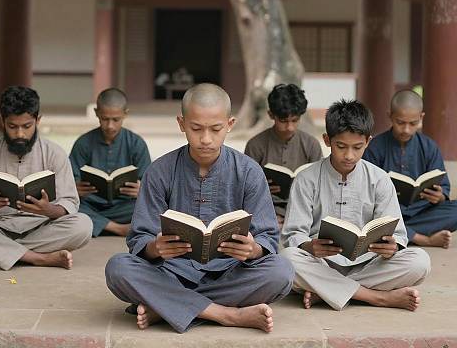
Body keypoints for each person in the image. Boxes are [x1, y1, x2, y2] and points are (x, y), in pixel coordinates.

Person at [105, 83, 294, 333]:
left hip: (229, 271)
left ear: (230, 124)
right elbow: (140, 239)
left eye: (216, 129)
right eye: (196, 129)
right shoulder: (159, 171)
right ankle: (226, 314)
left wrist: (253, 249)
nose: (206, 139)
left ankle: (165, 306)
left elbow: (268, 238)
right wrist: (155, 247)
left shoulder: (249, 172)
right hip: (171, 271)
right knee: (118, 268)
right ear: (182, 124)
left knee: (281, 272)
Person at [281, 99, 431, 312]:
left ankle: (325, 291)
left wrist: (392, 246)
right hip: (320, 263)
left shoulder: (379, 179)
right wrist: (308, 246)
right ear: (327, 140)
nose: (349, 155)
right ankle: (376, 297)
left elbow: (398, 235)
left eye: (357, 147)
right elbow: (293, 235)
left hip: (369, 265)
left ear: (368, 142)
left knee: (420, 261)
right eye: (341, 146)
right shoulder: (306, 178)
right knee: (287, 260)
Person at [0, 86, 92, 270]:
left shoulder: (55, 154)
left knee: (83, 226)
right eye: (12, 127)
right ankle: (38, 258)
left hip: (41, 228)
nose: (20, 134)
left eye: (27, 126)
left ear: (38, 120)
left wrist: (48, 210)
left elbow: (70, 203)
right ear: (2, 121)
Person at [363, 89, 457, 249]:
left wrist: (439, 197)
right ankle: (422, 239)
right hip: (386, 214)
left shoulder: (429, 147)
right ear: (390, 116)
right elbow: (366, 195)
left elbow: (444, 188)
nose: (406, 129)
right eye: (400, 122)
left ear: (421, 118)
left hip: (421, 213)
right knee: (369, 219)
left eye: (413, 123)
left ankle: (399, 235)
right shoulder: (375, 147)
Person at [69, 88, 151, 237]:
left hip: (125, 206)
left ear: (125, 114)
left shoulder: (136, 143)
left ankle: (99, 225)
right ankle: (119, 229)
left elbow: (150, 185)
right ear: (96, 113)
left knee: (153, 208)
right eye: (105, 119)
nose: (110, 126)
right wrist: (75, 188)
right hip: (90, 205)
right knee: (69, 206)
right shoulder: (83, 143)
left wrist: (141, 190)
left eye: (116, 119)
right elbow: (68, 182)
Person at [245, 84, 322, 223]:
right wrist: (262, 187)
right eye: (283, 121)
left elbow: (321, 186)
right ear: (271, 115)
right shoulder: (255, 145)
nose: (290, 127)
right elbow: (246, 188)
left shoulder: (311, 145)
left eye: (295, 120)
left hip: (304, 208)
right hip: (266, 208)